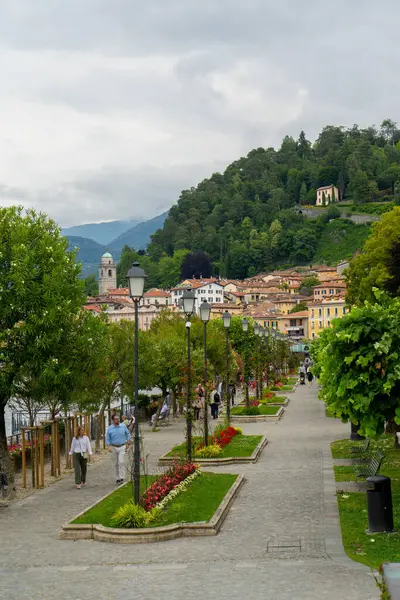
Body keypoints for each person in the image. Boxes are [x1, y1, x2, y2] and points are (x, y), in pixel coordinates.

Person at [106, 414, 131, 485]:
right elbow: (107, 438)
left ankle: (122, 477)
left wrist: (127, 442)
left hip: (122, 446)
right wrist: (108, 446)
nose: (118, 420)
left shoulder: (123, 426)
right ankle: (118, 478)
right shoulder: (110, 428)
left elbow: (128, 434)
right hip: (113, 447)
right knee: (116, 464)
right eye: (116, 419)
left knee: (121, 462)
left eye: (118, 419)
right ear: (113, 420)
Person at [69, 425, 92, 489]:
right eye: (81, 430)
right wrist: (70, 454)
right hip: (76, 454)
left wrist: (90, 453)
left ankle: (83, 480)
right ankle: (78, 483)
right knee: (77, 469)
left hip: (84, 454)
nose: (83, 431)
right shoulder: (75, 438)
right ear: (78, 431)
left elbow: (88, 446)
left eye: (83, 430)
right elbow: (72, 447)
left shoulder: (86, 438)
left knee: (84, 468)